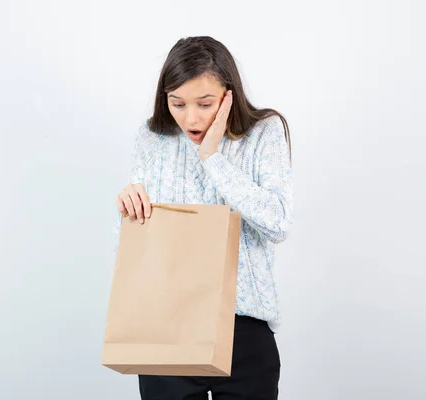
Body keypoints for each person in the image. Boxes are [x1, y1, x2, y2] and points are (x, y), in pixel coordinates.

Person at [112, 36, 293, 400]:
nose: (190, 118)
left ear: (228, 96)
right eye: (177, 103)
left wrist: (212, 157)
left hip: (244, 331)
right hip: (167, 327)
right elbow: (138, 244)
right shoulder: (152, 137)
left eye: (205, 103)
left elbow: (277, 223)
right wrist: (127, 209)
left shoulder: (263, 133)